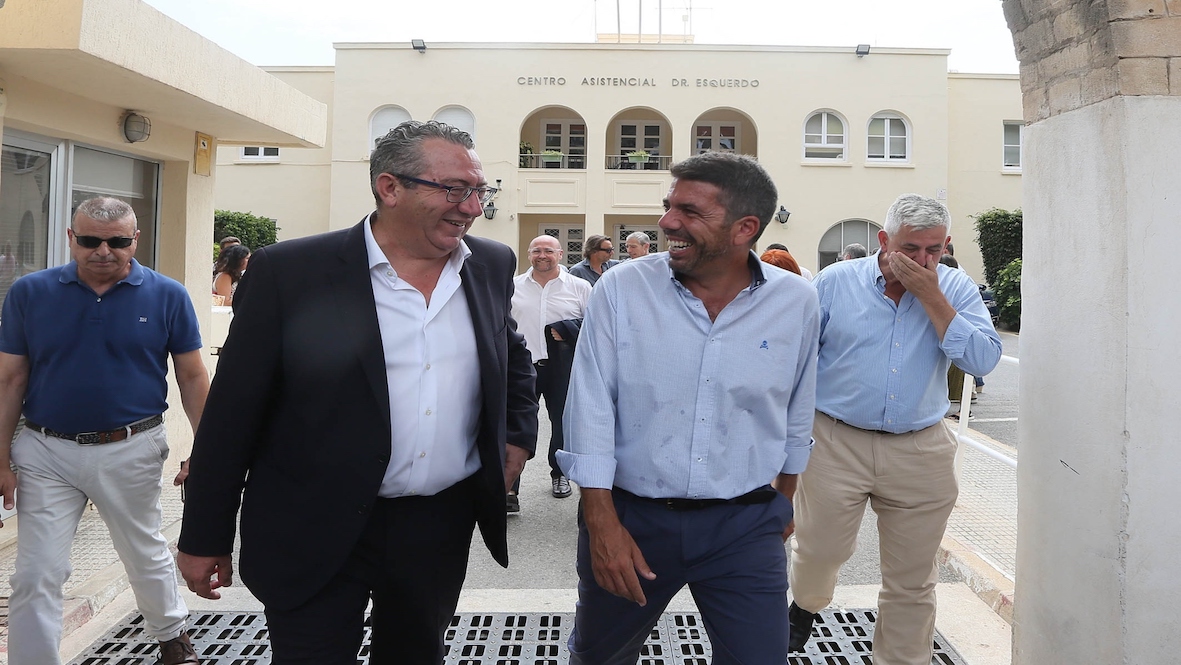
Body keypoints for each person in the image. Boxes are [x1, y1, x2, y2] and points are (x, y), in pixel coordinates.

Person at [177, 120, 539, 665]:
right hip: (311, 522)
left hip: (435, 526)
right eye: (453, 189)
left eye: (478, 192)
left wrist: (517, 438)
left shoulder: (490, 265)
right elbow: (233, 414)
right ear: (389, 187)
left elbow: (511, 358)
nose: (470, 207)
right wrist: (205, 533)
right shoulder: (291, 272)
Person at [557, 151, 820, 665]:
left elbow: (797, 403)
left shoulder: (796, 301)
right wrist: (601, 522)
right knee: (600, 658)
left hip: (744, 527)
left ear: (746, 228)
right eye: (668, 205)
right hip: (631, 520)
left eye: (690, 212)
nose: (667, 222)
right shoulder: (622, 289)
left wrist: (783, 499)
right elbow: (589, 406)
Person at [788, 193, 1001, 664]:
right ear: (884, 241)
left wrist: (933, 298)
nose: (923, 261)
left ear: (946, 245)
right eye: (911, 249)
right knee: (820, 551)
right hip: (835, 440)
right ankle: (805, 605)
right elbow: (797, 361)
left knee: (913, 579)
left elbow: (983, 358)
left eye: (934, 250)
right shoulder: (836, 282)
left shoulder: (955, 289)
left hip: (920, 448)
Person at [0, 196, 208, 665]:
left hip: (131, 446)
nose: (103, 251)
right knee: (36, 572)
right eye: (90, 240)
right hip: (44, 450)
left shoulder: (166, 295)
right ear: (71, 238)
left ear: (135, 240)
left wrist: (207, 451)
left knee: (143, 551)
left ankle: (172, 637)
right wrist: (1, 459)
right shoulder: (30, 294)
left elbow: (192, 377)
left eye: (117, 242)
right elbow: (10, 379)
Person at [509, 235, 592, 510]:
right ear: (529, 254)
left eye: (548, 250)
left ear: (560, 254)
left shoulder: (580, 287)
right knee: (517, 425)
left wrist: (569, 329)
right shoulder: (512, 286)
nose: (542, 255)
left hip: (563, 366)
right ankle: (510, 485)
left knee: (562, 422)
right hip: (521, 366)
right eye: (536, 251)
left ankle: (560, 475)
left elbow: (597, 325)